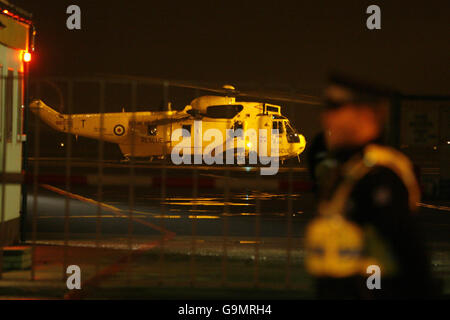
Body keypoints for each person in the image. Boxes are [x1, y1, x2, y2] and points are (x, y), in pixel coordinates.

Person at [304, 74, 434, 299]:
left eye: (336, 109)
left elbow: (409, 251)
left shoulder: (380, 173)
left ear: (364, 115)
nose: (326, 119)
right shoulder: (352, 169)